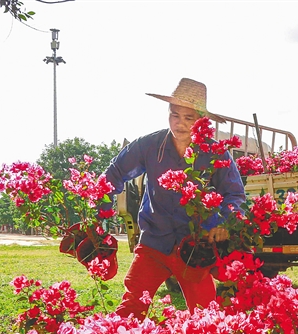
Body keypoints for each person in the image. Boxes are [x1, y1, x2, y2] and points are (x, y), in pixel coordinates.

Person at [102, 78, 246, 319]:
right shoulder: (148, 146)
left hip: (195, 248)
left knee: (206, 319)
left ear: (202, 120)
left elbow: (235, 195)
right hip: (153, 243)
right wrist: (101, 213)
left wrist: (220, 221)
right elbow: (113, 175)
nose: (179, 123)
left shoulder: (215, 152)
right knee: (130, 311)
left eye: (188, 118)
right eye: (174, 115)